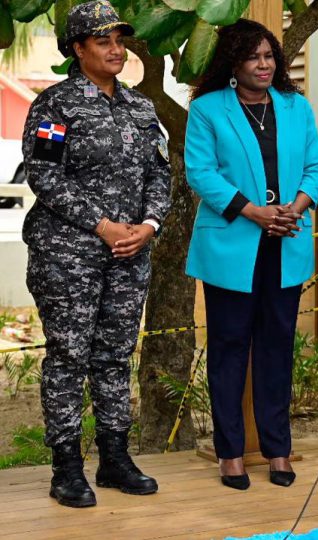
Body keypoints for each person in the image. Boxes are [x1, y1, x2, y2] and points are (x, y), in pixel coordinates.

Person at [22, 0, 170, 508]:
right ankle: (66, 466)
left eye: (120, 39)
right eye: (103, 40)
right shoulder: (54, 106)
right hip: (68, 255)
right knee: (68, 356)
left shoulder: (141, 108)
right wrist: (103, 225)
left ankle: (114, 458)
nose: (116, 48)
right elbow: (44, 176)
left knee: (113, 356)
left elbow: (160, 175)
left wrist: (147, 227)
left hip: (130, 255)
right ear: (78, 48)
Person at [184, 19, 318, 490]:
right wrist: (255, 213)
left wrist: (293, 209)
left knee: (276, 348)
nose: (264, 65)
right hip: (231, 243)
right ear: (233, 62)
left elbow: (315, 167)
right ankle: (229, 453)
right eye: (253, 57)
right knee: (228, 349)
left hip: (286, 240)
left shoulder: (295, 106)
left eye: (269, 56)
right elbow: (200, 173)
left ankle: (277, 449)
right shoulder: (207, 109)